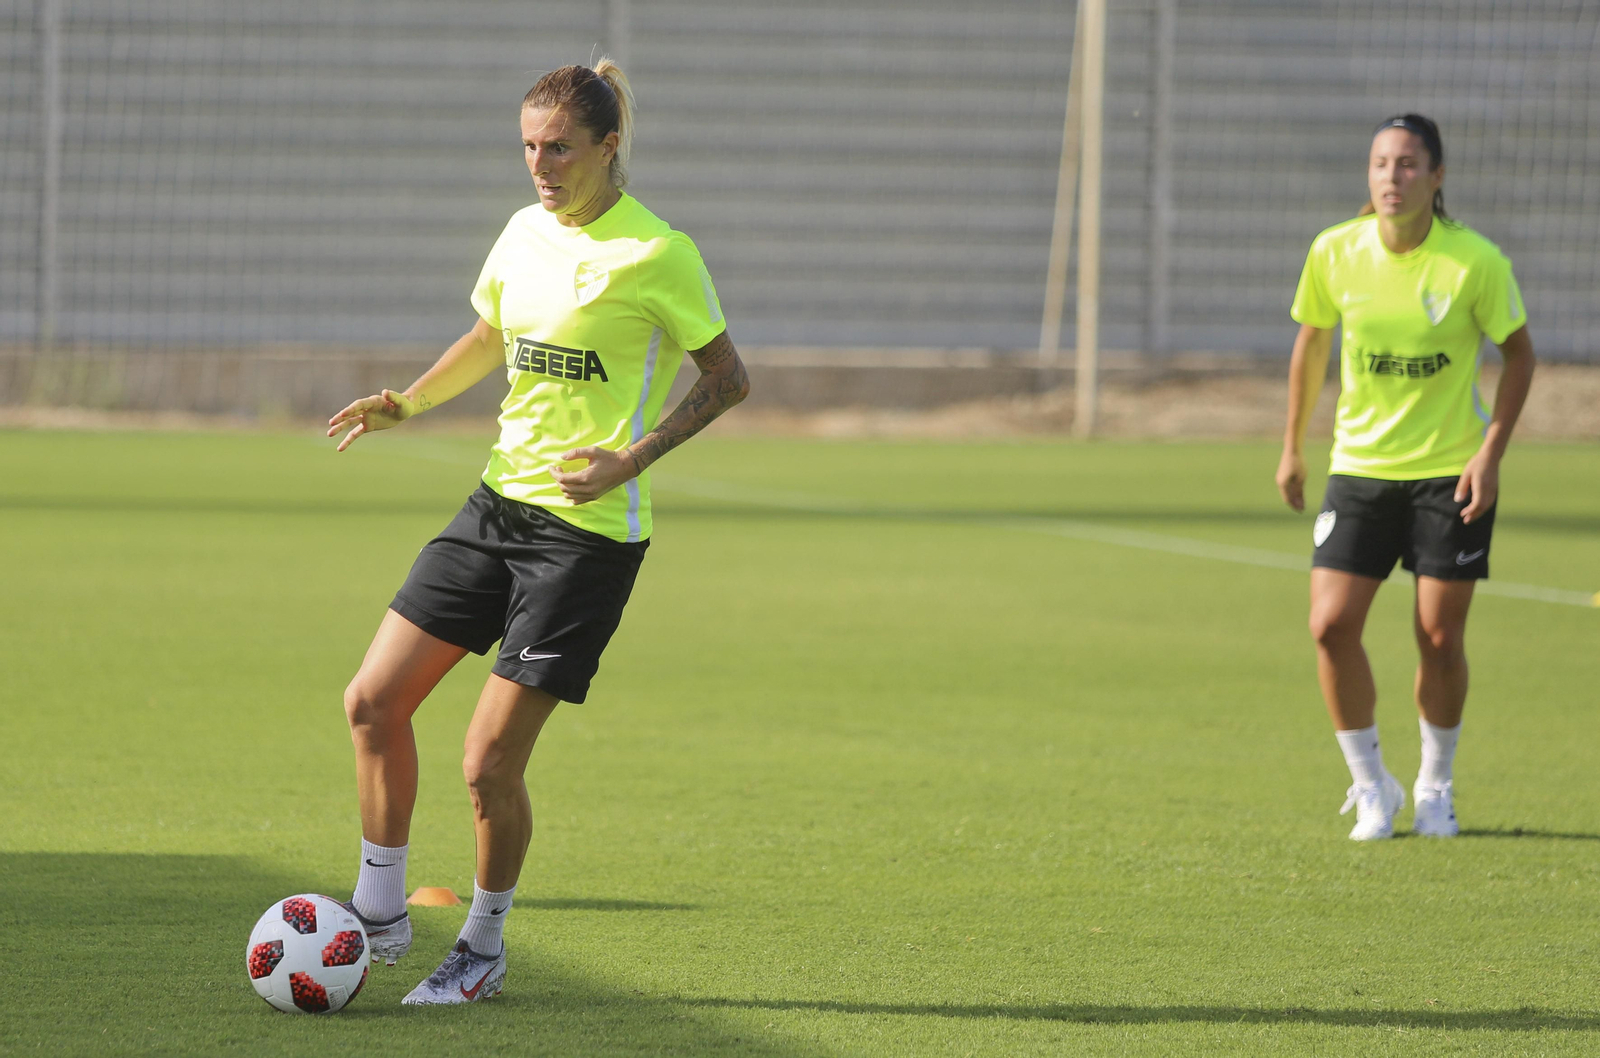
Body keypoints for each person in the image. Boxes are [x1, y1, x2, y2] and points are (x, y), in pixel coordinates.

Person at [325, 59, 749, 1003]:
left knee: (487, 764)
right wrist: (409, 402)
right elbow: (490, 334)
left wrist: (628, 460)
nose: (540, 164)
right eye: (527, 145)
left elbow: (728, 379)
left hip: (586, 540)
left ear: (608, 146)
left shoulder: (658, 254)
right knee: (372, 702)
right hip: (494, 509)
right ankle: (380, 916)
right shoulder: (522, 232)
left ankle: (481, 944)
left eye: (559, 147)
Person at [1275, 113, 1534, 841]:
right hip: (1359, 467)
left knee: (1440, 639)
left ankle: (1435, 787)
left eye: (1409, 164)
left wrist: (1491, 453)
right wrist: (1292, 446)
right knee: (1329, 626)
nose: (1393, 176)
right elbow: (1311, 345)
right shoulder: (1335, 251)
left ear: (1437, 176)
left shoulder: (1473, 263)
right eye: (1381, 163)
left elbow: (1520, 355)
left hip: (1449, 474)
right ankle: (1371, 787)